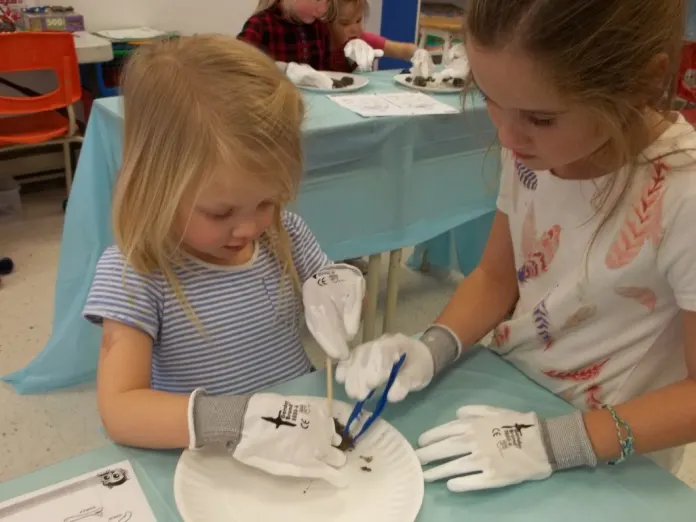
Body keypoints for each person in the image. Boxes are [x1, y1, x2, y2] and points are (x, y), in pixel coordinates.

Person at [336, 0, 696, 493]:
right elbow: (495, 278)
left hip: (613, 450)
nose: (505, 135)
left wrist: (560, 442)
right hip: (513, 392)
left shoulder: (684, 193)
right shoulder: (532, 151)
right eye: (488, 97)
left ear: (640, 82)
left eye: (541, 118)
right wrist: (432, 348)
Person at [82, 36, 365, 487]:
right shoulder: (136, 271)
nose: (250, 228)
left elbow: (329, 296)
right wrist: (235, 418)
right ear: (156, 187)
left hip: (300, 438)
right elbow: (120, 410)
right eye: (220, 213)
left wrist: (345, 293)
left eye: (268, 201)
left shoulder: (285, 234)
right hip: (208, 463)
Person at [238, 0, 337, 89]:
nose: (323, 9)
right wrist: (285, 69)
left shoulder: (319, 27)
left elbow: (328, 69)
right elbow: (237, 62)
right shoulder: (261, 24)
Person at [329, 0, 419, 72]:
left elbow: (402, 50)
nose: (355, 29)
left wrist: (420, 54)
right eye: (345, 23)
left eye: (358, 20)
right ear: (327, 23)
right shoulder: (320, 46)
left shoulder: (364, 40)